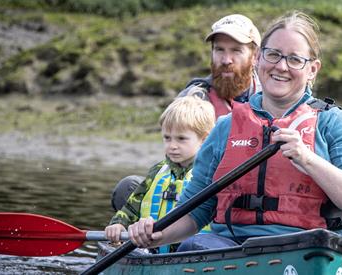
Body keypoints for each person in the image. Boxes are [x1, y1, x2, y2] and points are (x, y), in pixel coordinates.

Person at [127, 11, 342, 258]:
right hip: (237, 249)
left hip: (315, 246)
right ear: (259, 58)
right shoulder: (225, 128)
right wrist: (154, 234)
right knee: (195, 245)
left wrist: (307, 159)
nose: (281, 66)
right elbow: (195, 213)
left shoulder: (334, 122)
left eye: (295, 59)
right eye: (273, 55)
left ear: (312, 69)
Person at [110, 13, 262, 210]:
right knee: (128, 188)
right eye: (219, 50)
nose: (226, 60)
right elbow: (175, 158)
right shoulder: (193, 97)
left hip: (248, 198)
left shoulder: (271, 98)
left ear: (255, 56)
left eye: (236, 51)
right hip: (198, 191)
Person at [105, 95, 215, 253]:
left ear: (204, 139)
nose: (172, 146)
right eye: (167, 138)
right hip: (151, 250)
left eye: (181, 139)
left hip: (192, 251)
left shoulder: (211, 173)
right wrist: (119, 223)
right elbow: (133, 206)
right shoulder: (158, 170)